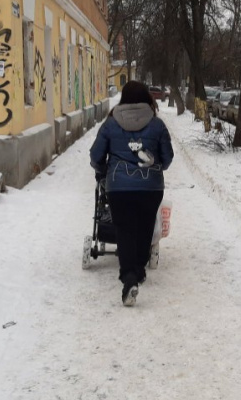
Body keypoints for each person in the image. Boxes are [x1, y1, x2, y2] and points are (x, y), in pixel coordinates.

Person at [89, 81, 174, 306]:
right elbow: (167, 159)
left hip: (119, 187)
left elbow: (96, 155)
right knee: (145, 230)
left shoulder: (110, 124)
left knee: (124, 230)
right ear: (147, 98)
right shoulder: (158, 126)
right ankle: (138, 270)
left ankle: (129, 278)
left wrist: (102, 171)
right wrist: (155, 166)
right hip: (151, 187)